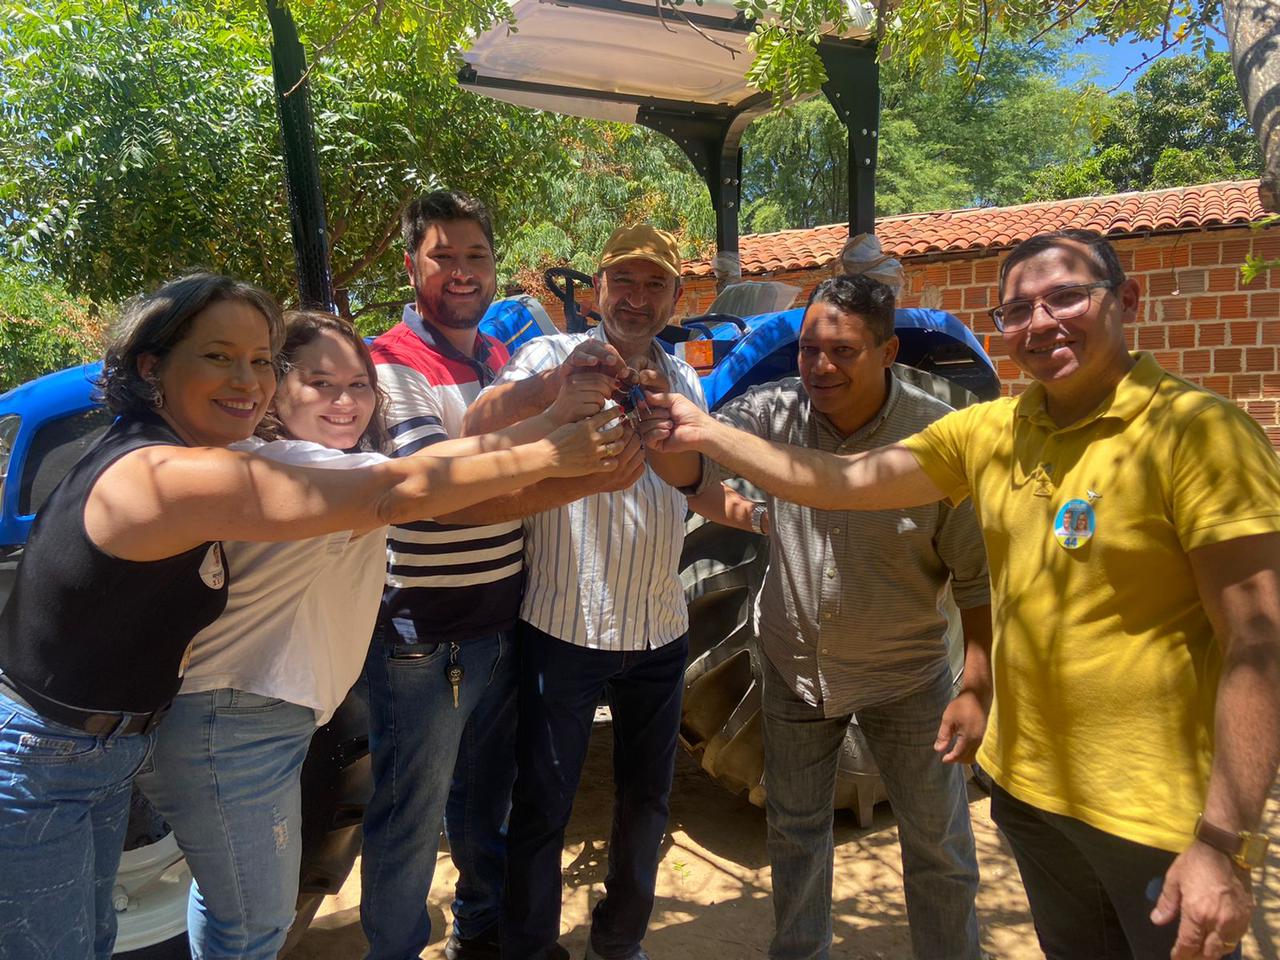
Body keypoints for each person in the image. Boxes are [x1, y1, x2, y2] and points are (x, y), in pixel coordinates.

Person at [640, 229, 1280, 959]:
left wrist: (1224, 841)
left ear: (1126, 300)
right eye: (1017, 310)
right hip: (1026, 792)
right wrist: (688, 432)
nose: (1041, 323)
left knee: (940, 855)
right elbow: (840, 483)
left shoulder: (1197, 434)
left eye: (1066, 297)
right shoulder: (995, 432)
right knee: (802, 838)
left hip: (1142, 808)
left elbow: (1258, 644)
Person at [0, 274, 623, 960]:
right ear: (151, 366)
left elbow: (413, 467)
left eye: (260, 360)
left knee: (92, 939)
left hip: (103, 753)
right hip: (48, 759)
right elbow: (400, 488)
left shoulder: (201, 454)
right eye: (218, 356)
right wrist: (552, 455)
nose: (248, 379)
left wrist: (551, 430)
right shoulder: (165, 475)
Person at [360, 191, 645, 960]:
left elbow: (521, 457)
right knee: (409, 817)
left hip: (499, 619)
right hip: (429, 632)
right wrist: (583, 474)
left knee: (485, 798)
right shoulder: (389, 363)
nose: (461, 272)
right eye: (442, 256)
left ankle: (479, 936)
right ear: (411, 264)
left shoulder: (492, 356)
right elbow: (435, 503)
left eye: (475, 256)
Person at [682, 275, 991, 960]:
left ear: (887, 352)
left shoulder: (938, 435)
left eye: (842, 350)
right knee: (795, 837)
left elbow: (976, 576)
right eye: (809, 349)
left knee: (938, 845)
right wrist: (666, 426)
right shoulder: (773, 410)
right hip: (794, 672)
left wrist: (975, 683)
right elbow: (701, 457)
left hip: (906, 678)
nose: (820, 367)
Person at [463, 223, 706, 960]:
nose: (636, 298)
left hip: (660, 630)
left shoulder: (687, 377)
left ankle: (620, 938)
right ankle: (530, 946)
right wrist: (552, 392)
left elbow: (701, 482)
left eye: (653, 284)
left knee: (647, 804)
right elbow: (476, 424)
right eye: (622, 283)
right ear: (596, 290)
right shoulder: (546, 356)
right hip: (565, 629)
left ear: (673, 297)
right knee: (544, 804)